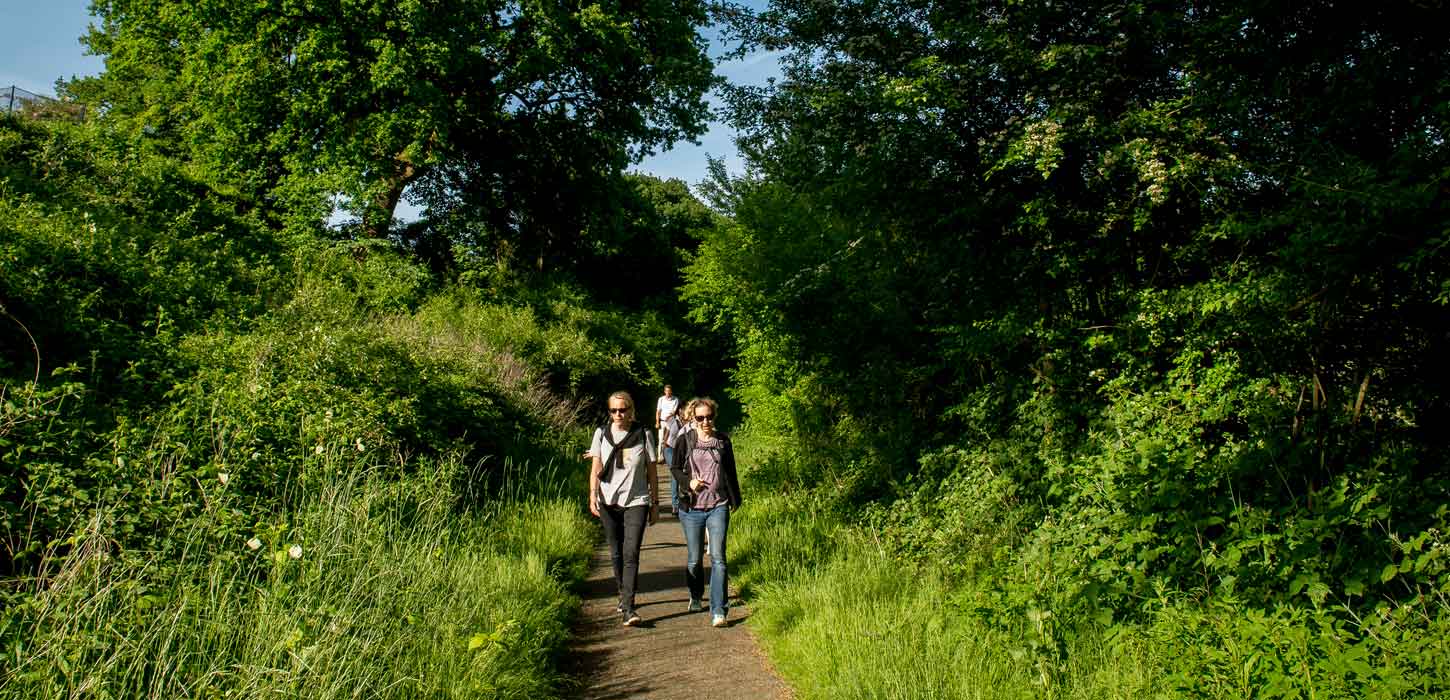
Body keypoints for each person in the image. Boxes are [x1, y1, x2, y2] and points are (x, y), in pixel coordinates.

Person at [669, 397, 742, 627]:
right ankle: (695, 594)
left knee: (719, 558)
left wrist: (735, 497)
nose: (705, 421)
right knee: (694, 560)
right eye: (700, 417)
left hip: (718, 505)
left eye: (709, 416)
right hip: (692, 508)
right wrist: (688, 482)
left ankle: (719, 610)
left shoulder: (723, 441)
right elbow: (674, 468)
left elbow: (730, 471)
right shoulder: (685, 439)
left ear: (714, 416)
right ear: (693, 418)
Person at [589, 391, 659, 626]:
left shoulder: (643, 433)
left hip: (636, 500)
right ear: (609, 412)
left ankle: (629, 607)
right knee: (616, 552)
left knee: (631, 553)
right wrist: (592, 495)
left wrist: (655, 503)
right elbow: (596, 466)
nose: (618, 414)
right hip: (608, 500)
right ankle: (622, 593)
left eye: (623, 409)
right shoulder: (601, 433)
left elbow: (651, 470)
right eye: (614, 410)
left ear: (632, 410)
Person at [660, 405, 684, 514]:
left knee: (683, 473)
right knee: (675, 473)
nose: (685, 412)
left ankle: (684, 499)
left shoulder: (688, 422)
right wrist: (663, 446)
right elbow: (666, 432)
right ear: (679, 410)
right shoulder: (672, 420)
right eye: (683, 409)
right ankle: (675, 504)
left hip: (680, 451)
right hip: (669, 449)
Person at [655, 385, 680, 457]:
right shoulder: (661, 399)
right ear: (664, 391)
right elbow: (658, 411)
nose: (668, 393)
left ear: (671, 391)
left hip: (671, 422)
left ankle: (668, 455)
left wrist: (668, 416)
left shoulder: (675, 399)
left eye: (669, 391)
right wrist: (657, 422)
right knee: (660, 439)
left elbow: (674, 411)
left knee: (670, 439)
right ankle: (660, 456)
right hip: (662, 421)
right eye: (666, 391)